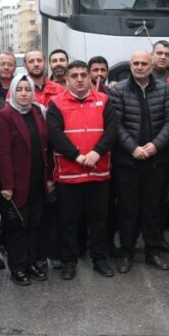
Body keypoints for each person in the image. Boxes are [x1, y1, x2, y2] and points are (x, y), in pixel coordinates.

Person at [47, 61, 119, 279]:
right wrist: (78, 156)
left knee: (99, 219)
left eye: (83, 75)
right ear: (66, 79)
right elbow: (55, 135)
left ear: (90, 78)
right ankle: (69, 261)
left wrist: (97, 152)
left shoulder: (104, 100)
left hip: (98, 172)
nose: (79, 79)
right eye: (74, 75)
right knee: (68, 221)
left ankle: (100, 259)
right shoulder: (56, 103)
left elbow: (112, 130)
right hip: (69, 174)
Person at [110, 51, 169, 272]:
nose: (139, 67)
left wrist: (155, 146)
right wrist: (133, 148)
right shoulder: (118, 90)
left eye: (143, 63)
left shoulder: (164, 89)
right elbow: (115, 124)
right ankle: (127, 252)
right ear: (130, 65)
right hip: (127, 162)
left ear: (151, 66)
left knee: (153, 209)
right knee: (128, 209)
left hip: (156, 161)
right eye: (136, 63)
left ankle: (153, 252)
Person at [0, 74, 53, 285]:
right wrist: (7, 185)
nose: (24, 94)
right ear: (12, 92)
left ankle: (33, 262)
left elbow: (45, 148)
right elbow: (3, 153)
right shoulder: (5, 115)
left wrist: (48, 177)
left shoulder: (38, 111)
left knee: (36, 225)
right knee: (18, 227)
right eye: (19, 89)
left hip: (37, 181)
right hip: (17, 184)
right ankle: (18, 267)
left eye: (28, 89)